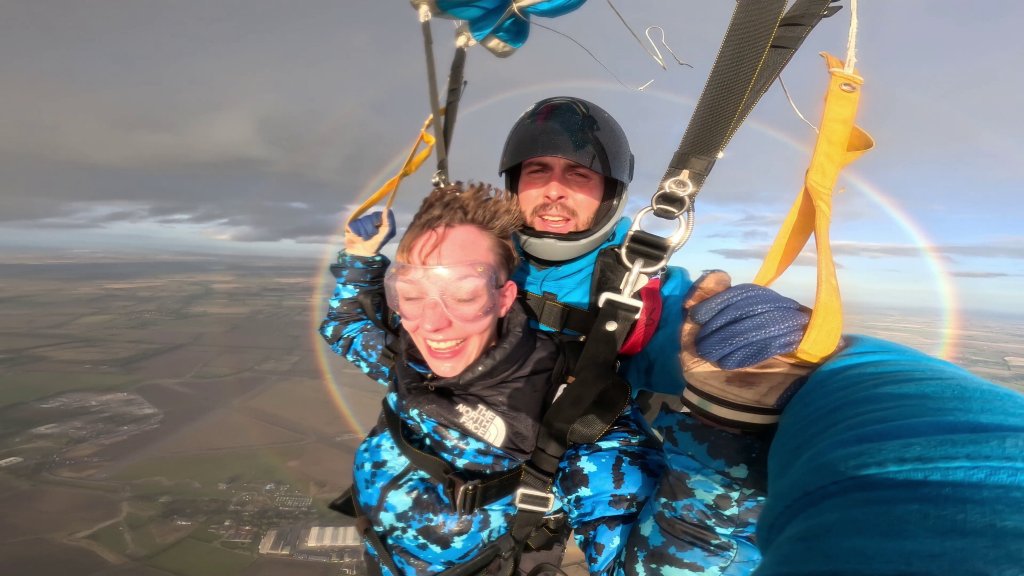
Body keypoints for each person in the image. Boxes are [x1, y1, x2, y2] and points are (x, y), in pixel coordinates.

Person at [319, 182, 665, 576]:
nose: (431, 324)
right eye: (411, 294)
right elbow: (344, 327)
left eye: (464, 295)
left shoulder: (571, 412)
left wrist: (726, 416)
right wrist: (360, 257)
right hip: (379, 556)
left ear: (504, 297)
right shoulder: (409, 359)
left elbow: (641, 560)